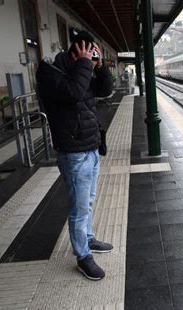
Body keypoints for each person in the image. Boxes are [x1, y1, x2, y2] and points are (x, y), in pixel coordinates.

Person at [36, 31, 113, 281]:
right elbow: (72, 93)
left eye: (94, 54)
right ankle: (82, 256)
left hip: (90, 147)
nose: (90, 57)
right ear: (78, 49)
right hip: (73, 152)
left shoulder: (84, 70)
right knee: (79, 207)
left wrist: (99, 68)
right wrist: (84, 65)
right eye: (89, 52)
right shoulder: (51, 71)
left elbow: (106, 90)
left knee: (88, 200)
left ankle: (88, 239)